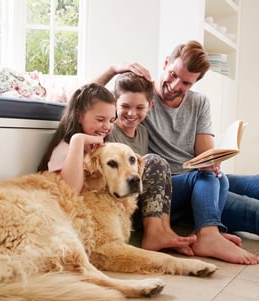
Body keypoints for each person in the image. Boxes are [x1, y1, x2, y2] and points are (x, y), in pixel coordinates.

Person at [94, 40, 259, 265]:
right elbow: (88, 100)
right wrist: (114, 68)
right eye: (173, 75)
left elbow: (204, 154)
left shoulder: (198, 102)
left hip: (197, 178)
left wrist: (213, 160)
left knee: (241, 182)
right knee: (247, 207)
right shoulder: (141, 96)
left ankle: (211, 228)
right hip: (172, 184)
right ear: (165, 64)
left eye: (185, 83)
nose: (174, 85)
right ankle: (210, 233)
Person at [106, 71, 196, 255]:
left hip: (137, 200)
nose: (132, 113)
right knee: (154, 160)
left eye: (140, 107)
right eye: (125, 106)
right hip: (118, 201)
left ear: (150, 106)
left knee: (163, 166)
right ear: (114, 103)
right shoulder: (109, 131)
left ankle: (163, 228)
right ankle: (154, 233)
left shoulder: (143, 133)